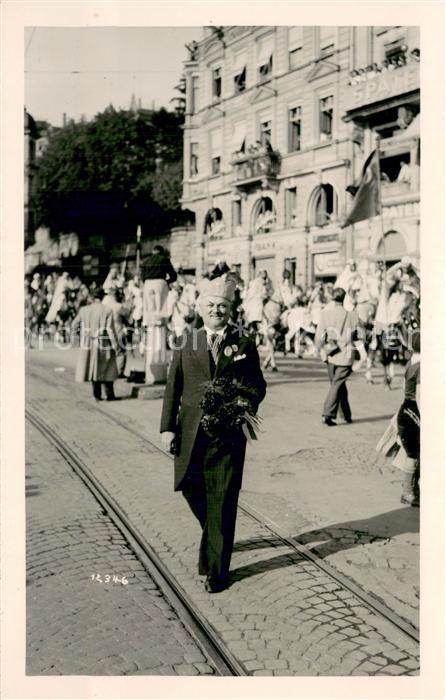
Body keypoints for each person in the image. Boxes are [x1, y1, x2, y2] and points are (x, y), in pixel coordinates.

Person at [160, 274, 266, 593]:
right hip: (190, 434)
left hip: (227, 435)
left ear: (230, 309)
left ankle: (217, 571)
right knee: (192, 489)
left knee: (222, 499)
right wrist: (167, 427)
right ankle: (215, 537)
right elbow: (172, 387)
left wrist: (243, 403)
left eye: (223, 305)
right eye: (211, 305)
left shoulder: (244, 343)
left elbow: (257, 385)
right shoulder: (187, 342)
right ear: (201, 308)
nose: (217, 310)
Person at [315, 287, 360, 426]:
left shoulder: (325, 314)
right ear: (344, 298)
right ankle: (328, 414)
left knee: (337, 384)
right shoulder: (352, 315)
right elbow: (359, 335)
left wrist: (321, 350)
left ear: (332, 298)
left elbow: (319, 337)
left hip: (330, 355)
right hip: (346, 355)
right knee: (338, 384)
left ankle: (346, 414)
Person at [72, 288, 120, 401]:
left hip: (88, 342)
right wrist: (115, 344)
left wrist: (81, 335)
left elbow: (74, 324)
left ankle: (96, 395)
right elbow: (110, 330)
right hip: (103, 342)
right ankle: (109, 394)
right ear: (102, 297)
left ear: (91, 298)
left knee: (93, 369)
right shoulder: (107, 310)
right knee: (108, 368)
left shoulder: (84, 310)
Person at [396, 330, 420, 506]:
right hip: (415, 410)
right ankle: (409, 491)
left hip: (406, 409)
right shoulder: (422, 367)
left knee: (413, 454)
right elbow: (420, 396)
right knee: (416, 454)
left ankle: (410, 491)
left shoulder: (411, 363)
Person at [141, 245, 177, 325]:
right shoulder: (164, 259)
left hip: (147, 283)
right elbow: (173, 276)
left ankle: (150, 328)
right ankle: (160, 329)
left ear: (153, 251)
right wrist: (166, 282)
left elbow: (142, 277)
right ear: (162, 252)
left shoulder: (146, 261)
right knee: (160, 309)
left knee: (150, 309)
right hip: (160, 283)